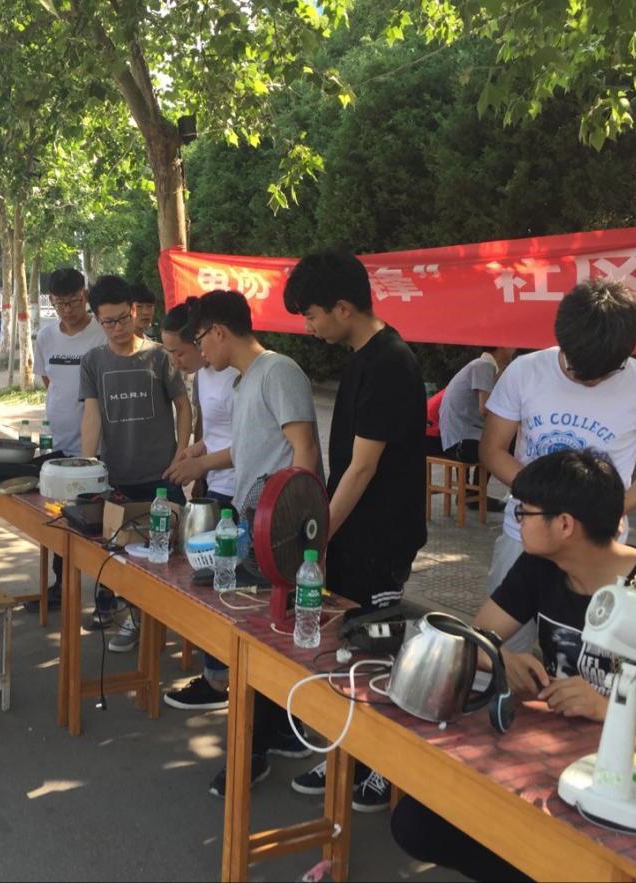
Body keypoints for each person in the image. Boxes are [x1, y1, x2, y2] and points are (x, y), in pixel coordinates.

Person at [391, 449, 636, 882]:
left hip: (626, 780)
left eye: (524, 512)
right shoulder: (541, 566)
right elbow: (474, 639)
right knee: (417, 824)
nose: (517, 519)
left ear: (564, 525)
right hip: (547, 754)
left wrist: (607, 708)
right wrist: (502, 658)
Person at [281, 250, 427, 812]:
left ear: (343, 307)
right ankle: (347, 749)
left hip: (380, 538)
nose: (309, 326)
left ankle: (382, 766)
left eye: (312, 315)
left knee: (376, 651)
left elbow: (363, 469)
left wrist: (318, 536)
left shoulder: (390, 362)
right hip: (354, 536)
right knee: (349, 649)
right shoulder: (362, 356)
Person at [165, 289, 323, 796]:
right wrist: (198, 460)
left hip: (281, 533)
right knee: (255, 634)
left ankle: (251, 750)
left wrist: (296, 532)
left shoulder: (278, 372)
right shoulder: (243, 380)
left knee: (260, 641)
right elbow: (247, 449)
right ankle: (278, 734)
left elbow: (304, 452)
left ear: (218, 331)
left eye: (199, 340)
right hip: (253, 524)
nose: (199, 352)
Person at [479, 278, 636, 652]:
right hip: (527, 535)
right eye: (574, 369)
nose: (587, 381)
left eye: (602, 374)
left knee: (594, 657)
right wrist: (544, 503)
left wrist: (612, 508)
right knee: (502, 650)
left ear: (625, 354)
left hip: (597, 550)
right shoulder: (525, 372)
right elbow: (492, 450)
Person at [80, 275, 191, 651]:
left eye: (122, 319)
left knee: (171, 553)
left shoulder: (159, 356)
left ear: (134, 312)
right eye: (108, 322)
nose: (116, 328)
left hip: (161, 475)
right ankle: (133, 620)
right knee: (123, 556)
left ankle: (180, 625)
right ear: (98, 320)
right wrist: (87, 466)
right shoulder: (93, 361)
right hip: (117, 477)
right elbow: (92, 416)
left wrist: (181, 453)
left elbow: (183, 407)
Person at [159, 300, 238, 711]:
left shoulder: (240, 375)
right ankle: (215, 673)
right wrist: (193, 452)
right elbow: (217, 434)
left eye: (180, 352)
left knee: (226, 586)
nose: (176, 361)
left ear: (203, 339)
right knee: (205, 582)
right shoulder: (203, 376)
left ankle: (223, 679)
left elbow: (249, 443)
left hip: (241, 492)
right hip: (216, 489)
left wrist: (202, 464)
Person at [28, 267, 105, 613]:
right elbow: (49, 380)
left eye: (73, 302)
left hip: (97, 444)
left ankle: (107, 594)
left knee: (99, 520)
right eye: (59, 304)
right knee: (60, 518)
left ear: (84, 296)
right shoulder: (46, 336)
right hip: (59, 441)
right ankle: (61, 586)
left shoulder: (101, 334)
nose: (67, 310)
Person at [439, 346, 514, 463]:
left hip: (455, 438)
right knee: (511, 445)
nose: (515, 348)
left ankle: (481, 477)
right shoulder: (484, 365)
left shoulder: (483, 366)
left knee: (505, 443)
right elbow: (485, 410)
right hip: (463, 440)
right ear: (501, 346)